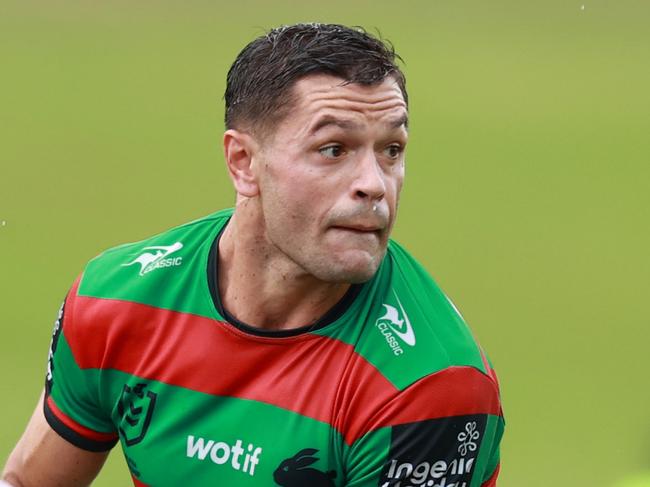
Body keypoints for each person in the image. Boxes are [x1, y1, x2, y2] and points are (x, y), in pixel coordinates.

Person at [2, 23, 504, 487]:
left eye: (391, 149)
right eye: (334, 149)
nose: (374, 185)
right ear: (243, 162)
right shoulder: (117, 302)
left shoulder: (428, 386)